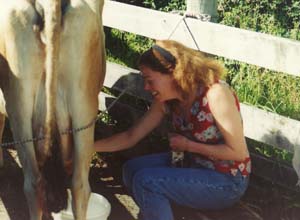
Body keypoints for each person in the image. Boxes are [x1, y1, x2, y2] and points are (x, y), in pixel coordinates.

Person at [94, 40, 251, 220]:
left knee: (146, 182)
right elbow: (131, 136)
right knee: (131, 170)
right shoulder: (166, 100)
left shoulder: (215, 94)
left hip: (227, 181)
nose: (146, 87)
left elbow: (238, 153)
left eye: (149, 80)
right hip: (192, 165)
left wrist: (188, 146)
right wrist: (88, 148)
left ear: (173, 73)